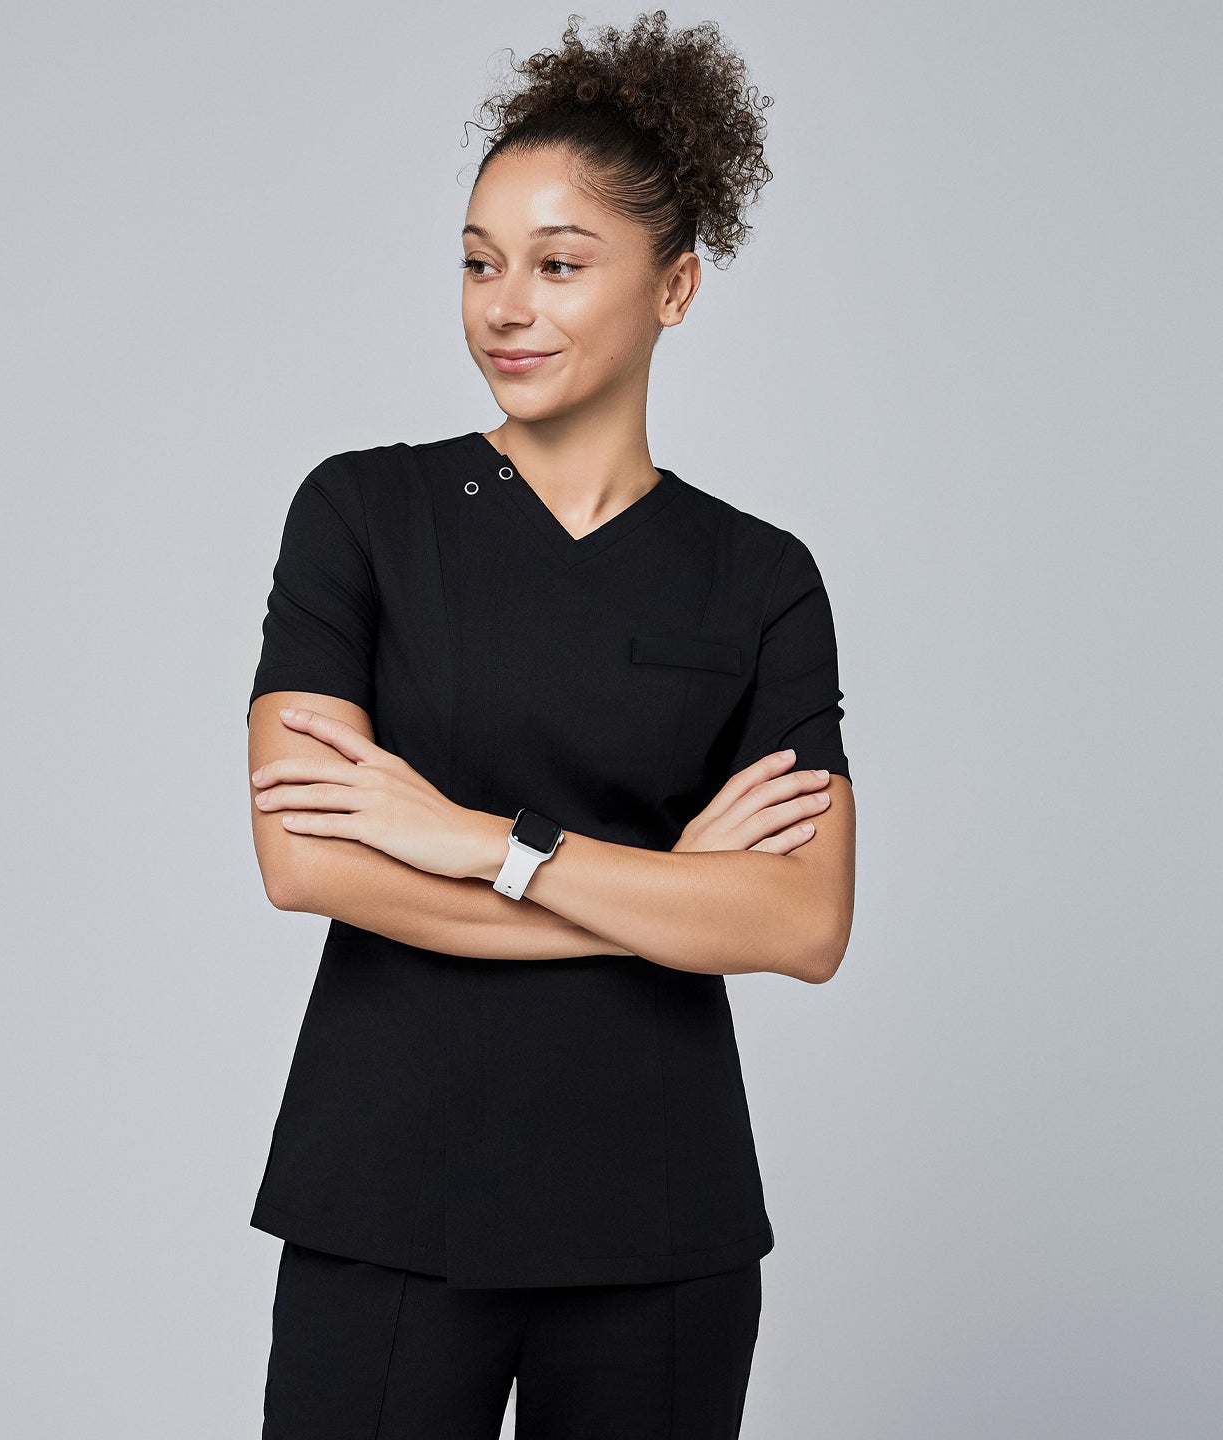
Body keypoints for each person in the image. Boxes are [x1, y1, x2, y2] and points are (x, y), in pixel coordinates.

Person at [243, 11, 856, 1438]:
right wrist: (672, 896)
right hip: (386, 1196)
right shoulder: (362, 517)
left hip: (661, 1219)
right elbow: (309, 864)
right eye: (478, 262)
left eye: (559, 265)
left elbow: (804, 928)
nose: (504, 306)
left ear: (677, 286)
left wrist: (472, 842)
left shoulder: (759, 579)